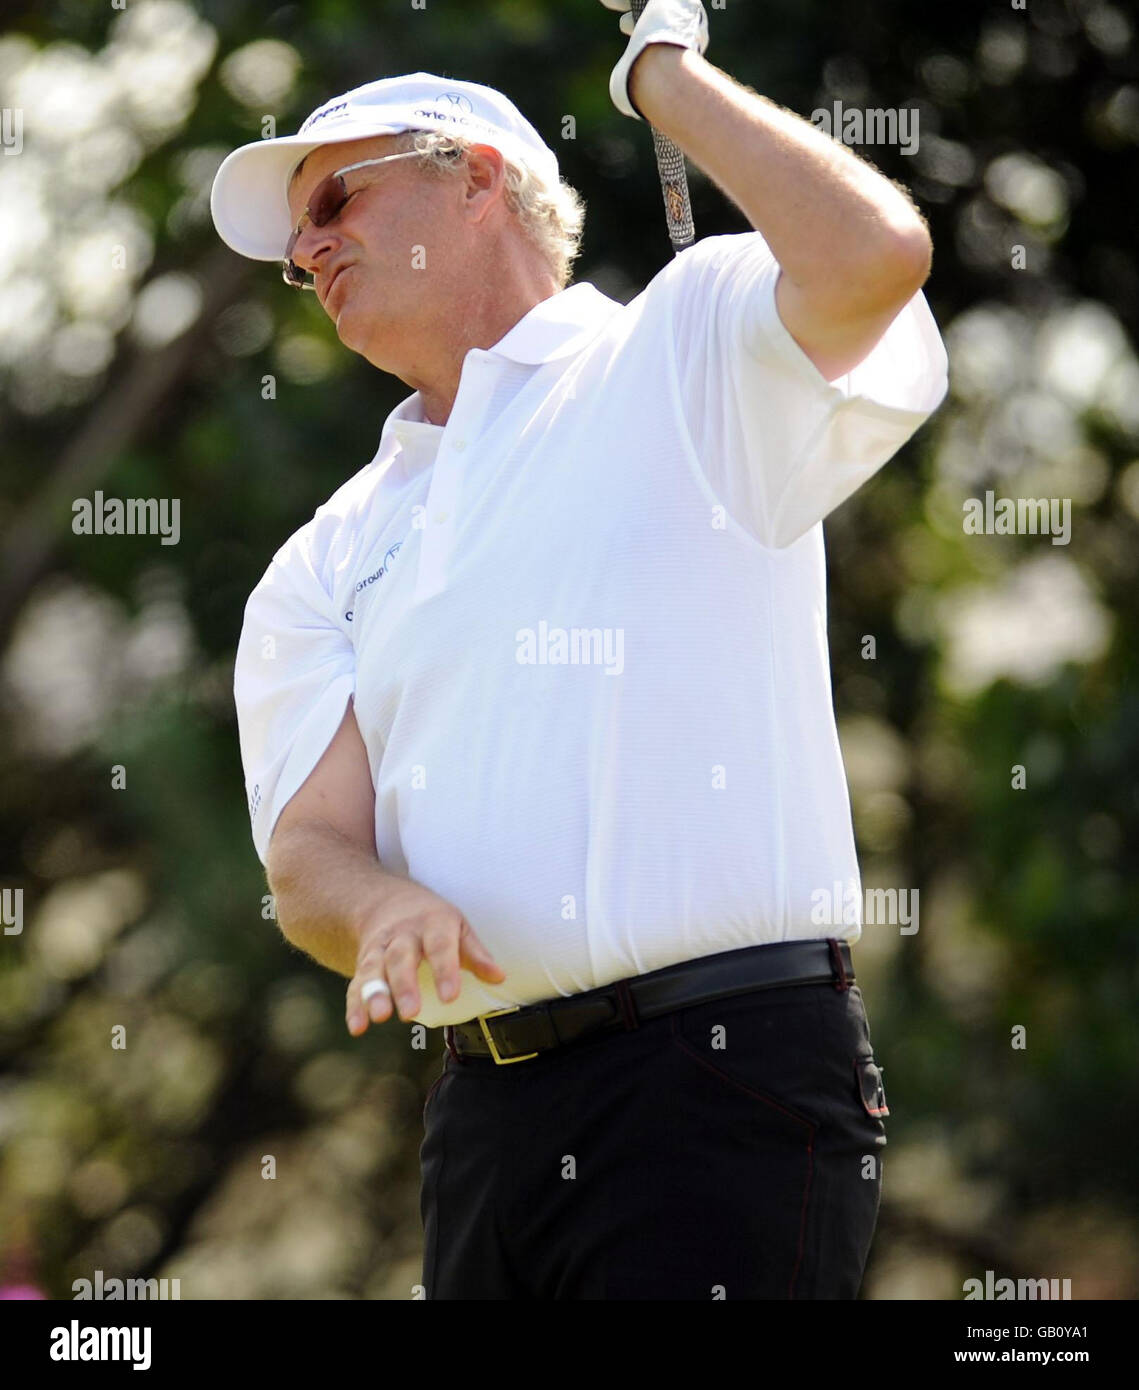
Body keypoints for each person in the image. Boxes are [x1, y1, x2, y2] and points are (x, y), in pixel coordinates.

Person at [210, 0, 948, 1299]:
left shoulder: (685, 338)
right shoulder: (324, 556)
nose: (308, 248)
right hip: (485, 1121)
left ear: (478, 176)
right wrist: (381, 907)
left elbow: (876, 252)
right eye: (295, 243)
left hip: (724, 1079)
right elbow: (311, 850)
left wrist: (661, 71)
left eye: (335, 200)